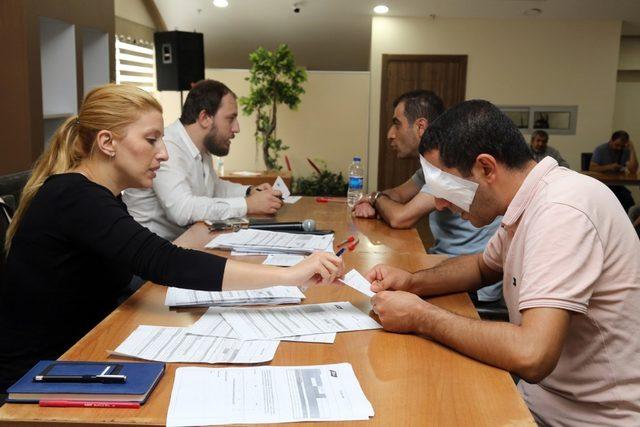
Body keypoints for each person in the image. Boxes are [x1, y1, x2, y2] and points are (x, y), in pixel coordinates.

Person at [0, 84, 343, 396]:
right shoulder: (76, 197)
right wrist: (287, 276)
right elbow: (164, 262)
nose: (163, 154)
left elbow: (144, 259)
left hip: (80, 348)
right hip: (39, 374)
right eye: (152, 140)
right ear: (107, 143)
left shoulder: (99, 194)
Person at [366, 100, 640, 425]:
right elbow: (482, 267)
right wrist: (412, 282)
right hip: (537, 401)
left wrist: (421, 316)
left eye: (446, 187)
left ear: (486, 168)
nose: (438, 203)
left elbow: (532, 354)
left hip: (589, 419)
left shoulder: (562, 210)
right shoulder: (527, 202)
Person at [353, 90, 503, 306]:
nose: (390, 134)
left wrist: (375, 198)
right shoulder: (432, 165)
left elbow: (401, 217)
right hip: (448, 264)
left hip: (472, 287)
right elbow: (396, 194)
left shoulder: (449, 165)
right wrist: (373, 199)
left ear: (420, 126)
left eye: (397, 124)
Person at [123, 79, 283, 241]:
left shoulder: (201, 147)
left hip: (183, 244)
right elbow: (182, 210)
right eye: (230, 118)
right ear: (205, 117)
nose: (236, 128)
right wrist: (248, 204)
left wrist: (249, 192)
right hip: (151, 253)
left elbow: (214, 187)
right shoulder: (168, 147)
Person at [589, 130, 638, 212]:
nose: (619, 148)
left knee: (628, 200)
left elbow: (634, 170)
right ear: (611, 140)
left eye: (622, 146)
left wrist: (632, 149)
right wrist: (609, 167)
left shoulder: (625, 150)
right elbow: (592, 168)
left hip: (618, 185)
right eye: (617, 145)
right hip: (603, 184)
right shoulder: (600, 149)